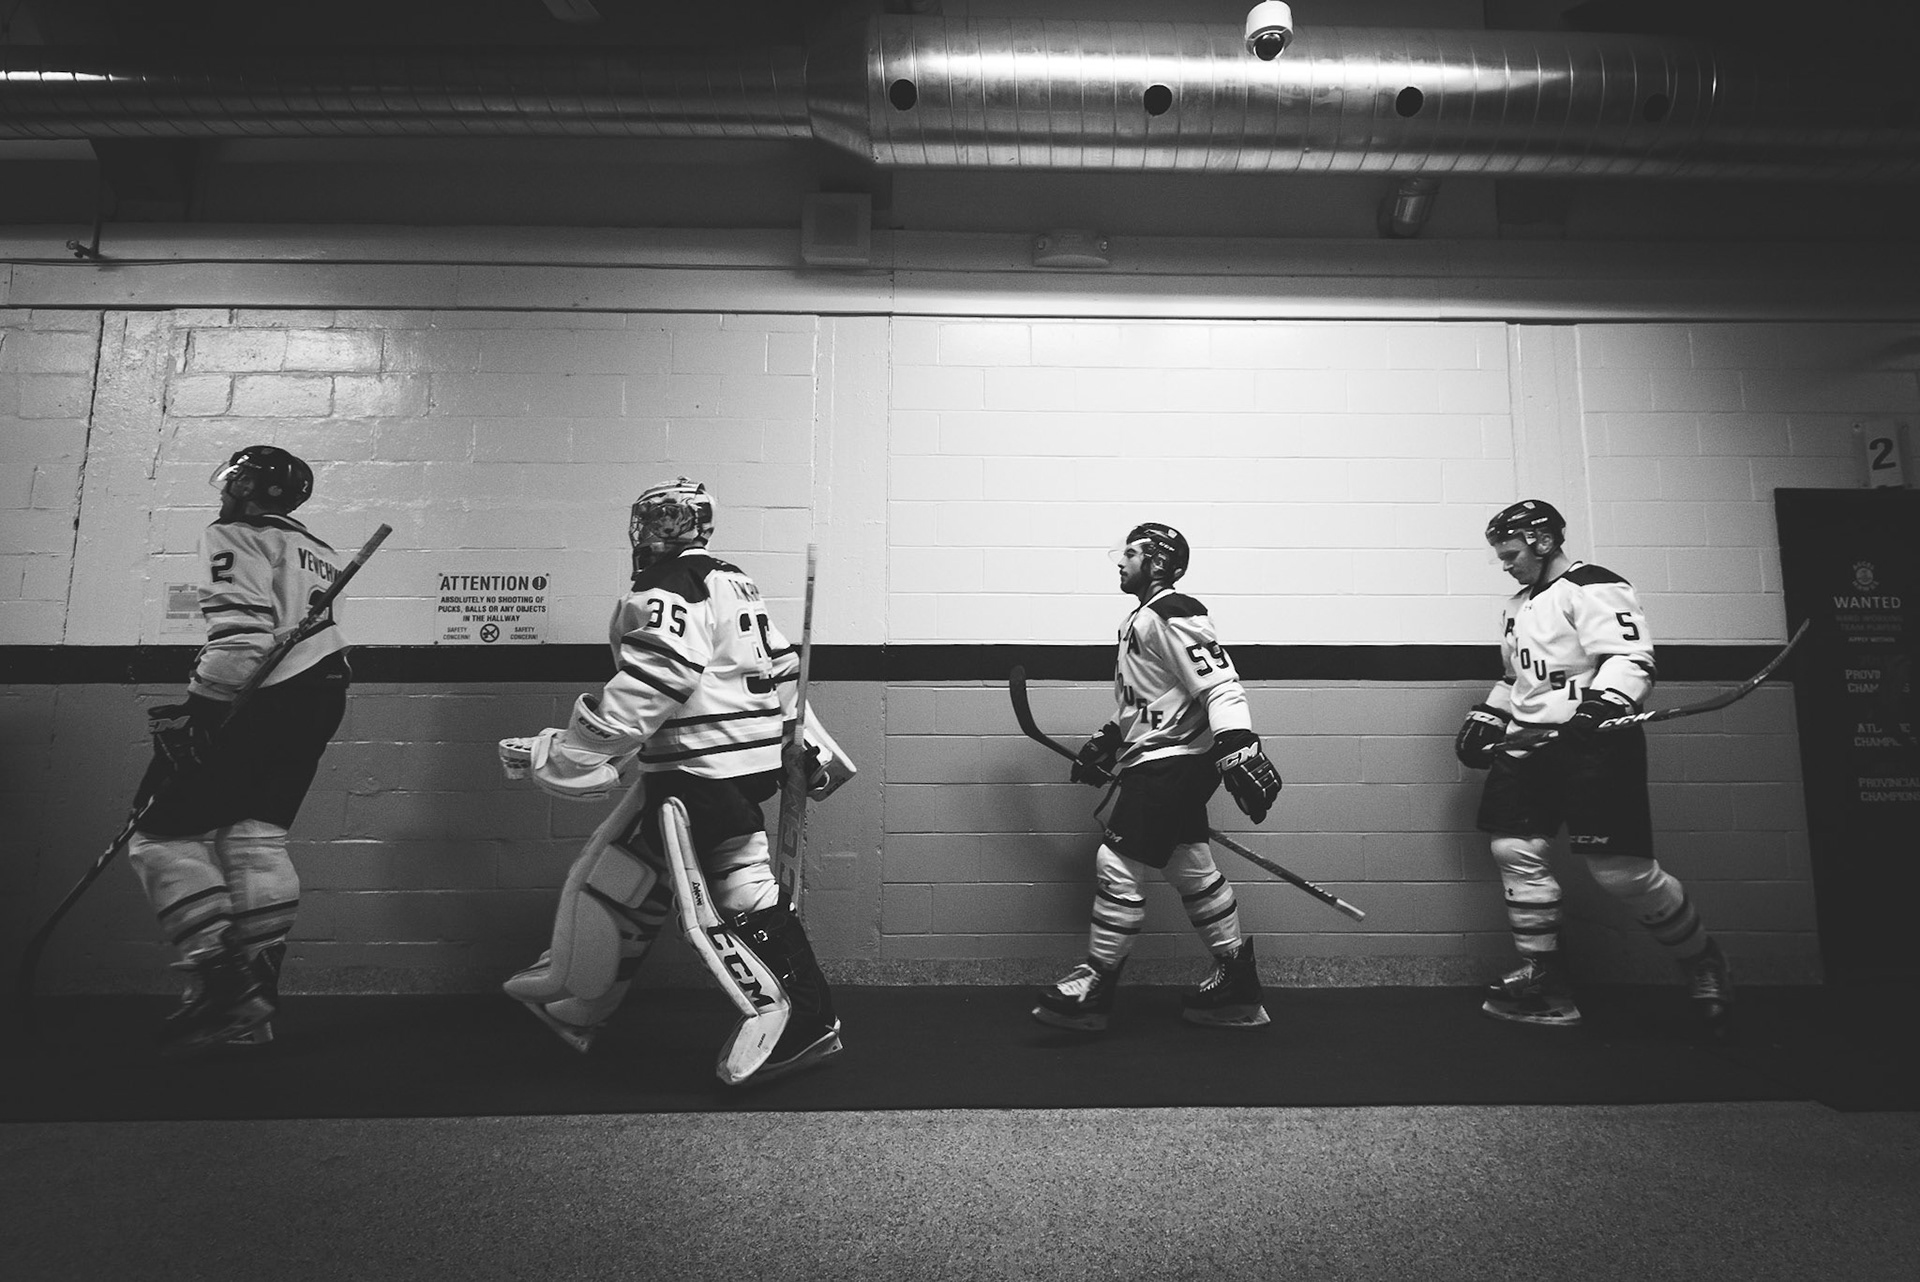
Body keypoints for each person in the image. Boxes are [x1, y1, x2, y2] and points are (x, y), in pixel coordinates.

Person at [502, 477, 854, 1084]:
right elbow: (782, 672)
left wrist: (571, 751)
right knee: (622, 878)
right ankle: (579, 996)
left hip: (697, 769)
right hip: (739, 765)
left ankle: (803, 1024)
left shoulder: (667, 587)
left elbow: (657, 682)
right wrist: (813, 752)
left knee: (740, 892)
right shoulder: (733, 579)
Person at [1455, 499, 1732, 1031]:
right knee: (1514, 848)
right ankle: (1546, 976)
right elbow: (1518, 680)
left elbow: (1630, 658)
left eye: (1510, 553)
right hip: (1528, 745)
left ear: (1541, 540)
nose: (1505, 564)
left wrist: (1603, 704)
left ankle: (1702, 960)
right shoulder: (1516, 607)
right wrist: (1489, 716)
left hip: (1594, 746)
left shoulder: (1596, 586)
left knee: (1622, 874)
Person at [126, 445, 351, 1057]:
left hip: (267, 696)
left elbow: (243, 635)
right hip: (324, 690)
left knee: (158, 835)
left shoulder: (234, 533)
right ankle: (253, 1004)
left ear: (251, 490)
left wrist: (201, 708)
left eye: (239, 480)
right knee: (256, 838)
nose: (227, 490)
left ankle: (223, 985)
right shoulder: (316, 548)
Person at [1033, 522, 1284, 1032]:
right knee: (1189, 866)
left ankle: (1095, 986)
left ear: (1159, 564)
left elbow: (1221, 684)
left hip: (1175, 761)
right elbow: (1151, 701)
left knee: (1116, 862)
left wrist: (1240, 743)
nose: (1120, 562)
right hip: (1161, 757)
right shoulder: (1140, 619)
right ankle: (1236, 985)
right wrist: (1110, 739)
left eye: (1131, 553)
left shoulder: (1173, 611)